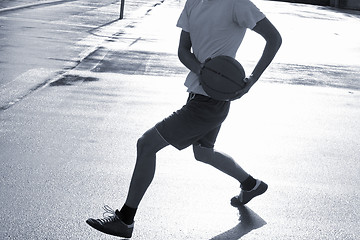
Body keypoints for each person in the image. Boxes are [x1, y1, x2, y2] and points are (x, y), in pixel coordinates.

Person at [86, 0, 282, 238]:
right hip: (199, 94)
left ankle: (125, 219)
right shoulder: (193, 2)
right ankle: (251, 184)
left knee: (146, 144)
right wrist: (201, 70)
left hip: (210, 102)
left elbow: (274, 38)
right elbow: (183, 51)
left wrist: (252, 79)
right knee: (204, 153)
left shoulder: (236, 4)